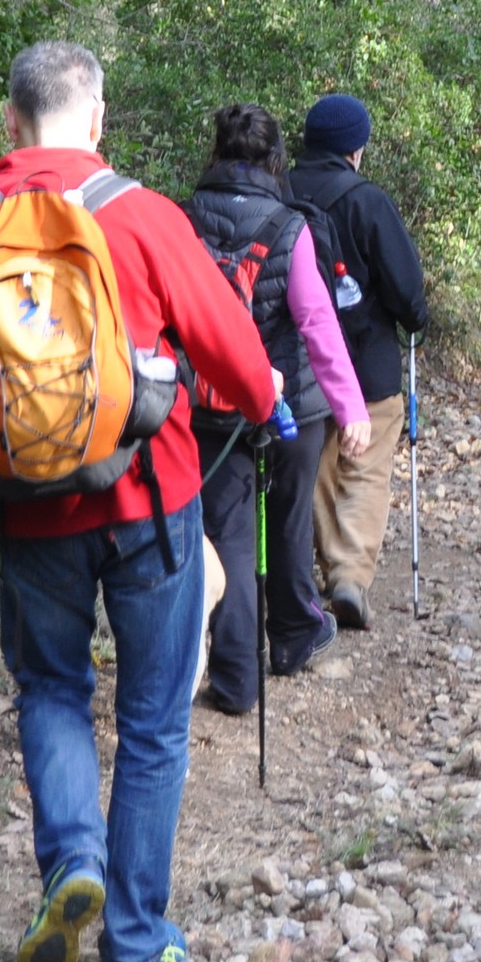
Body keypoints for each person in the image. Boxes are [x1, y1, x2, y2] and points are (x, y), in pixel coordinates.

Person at [0, 41, 279, 962]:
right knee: (152, 722)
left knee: (52, 690)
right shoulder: (142, 215)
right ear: (97, 119)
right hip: (153, 502)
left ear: (9, 121)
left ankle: (73, 861)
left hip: (30, 511)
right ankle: (136, 948)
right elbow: (234, 356)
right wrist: (265, 403)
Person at [186, 104, 373, 704]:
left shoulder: (183, 220)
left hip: (211, 405)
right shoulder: (289, 226)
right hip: (290, 401)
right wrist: (351, 408)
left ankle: (236, 678)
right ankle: (293, 638)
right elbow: (317, 323)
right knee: (289, 521)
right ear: (275, 159)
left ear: (215, 153)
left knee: (229, 538)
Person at [286, 92, 431, 632]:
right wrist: (416, 318)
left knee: (319, 471)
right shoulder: (366, 200)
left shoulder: (279, 192)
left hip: (299, 365)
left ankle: (329, 572)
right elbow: (406, 289)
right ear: (355, 149)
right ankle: (349, 575)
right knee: (366, 470)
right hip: (367, 363)